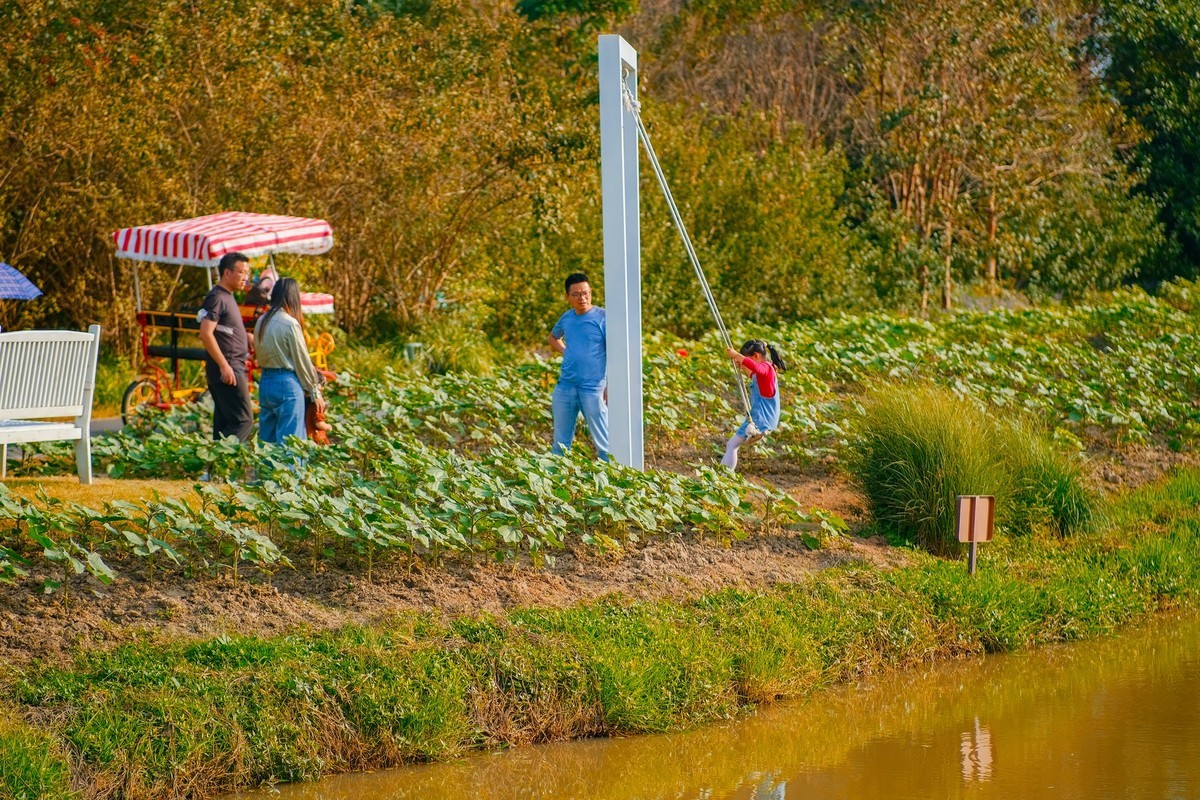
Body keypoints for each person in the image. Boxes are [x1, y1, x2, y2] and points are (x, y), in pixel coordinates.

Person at [253, 277, 327, 444]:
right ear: (293, 297)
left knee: (267, 444)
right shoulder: (290, 323)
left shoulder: (261, 321)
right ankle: (290, 471)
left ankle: (264, 471)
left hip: (265, 383)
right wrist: (315, 392)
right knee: (290, 445)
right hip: (286, 385)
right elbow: (302, 360)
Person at [548, 272, 609, 461]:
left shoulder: (603, 317)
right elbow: (553, 337)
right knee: (560, 442)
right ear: (567, 297)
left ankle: (613, 479)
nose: (582, 298)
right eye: (576, 294)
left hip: (593, 386)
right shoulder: (567, 318)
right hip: (566, 385)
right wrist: (568, 353)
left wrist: (610, 385)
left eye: (586, 293)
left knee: (604, 441)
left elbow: (614, 352)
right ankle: (557, 478)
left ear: (591, 292)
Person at [198, 252, 253, 441]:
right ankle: (219, 459)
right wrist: (224, 366)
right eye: (242, 272)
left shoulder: (227, 297)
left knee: (224, 425)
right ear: (227, 272)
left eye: (247, 272)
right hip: (229, 369)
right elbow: (206, 332)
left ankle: (217, 470)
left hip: (229, 367)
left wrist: (245, 337)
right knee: (243, 421)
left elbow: (222, 330)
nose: (245, 277)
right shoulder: (218, 297)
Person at [721, 339, 787, 471]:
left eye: (748, 358)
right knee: (733, 445)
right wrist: (742, 364)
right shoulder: (768, 369)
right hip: (764, 417)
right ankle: (724, 475)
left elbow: (756, 368)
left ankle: (723, 477)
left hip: (760, 417)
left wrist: (736, 355)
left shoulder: (766, 367)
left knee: (732, 445)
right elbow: (754, 375)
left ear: (756, 356)